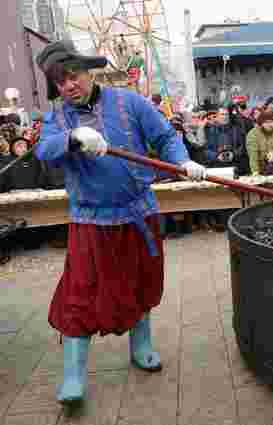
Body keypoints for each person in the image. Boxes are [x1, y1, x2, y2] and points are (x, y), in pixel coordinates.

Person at [33, 40, 207, 405]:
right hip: (91, 222)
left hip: (138, 213)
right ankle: (73, 376)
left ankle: (141, 346)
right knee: (79, 295)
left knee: (141, 282)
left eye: (73, 75)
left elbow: (164, 137)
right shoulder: (57, 119)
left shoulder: (131, 103)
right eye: (59, 81)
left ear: (88, 72)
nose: (69, 85)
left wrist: (183, 161)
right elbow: (43, 152)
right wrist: (73, 138)